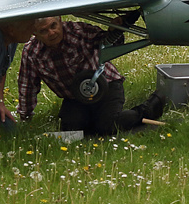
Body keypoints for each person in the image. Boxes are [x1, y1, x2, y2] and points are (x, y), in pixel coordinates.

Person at [16, 16, 164, 137]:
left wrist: (114, 30)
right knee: (71, 133)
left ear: (60, 20)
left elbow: (111, 43)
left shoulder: (78, 31)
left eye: (53, 26)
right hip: (75, 98)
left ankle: (148, 109)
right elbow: (27, 85)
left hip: (106, 85)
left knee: (107, 126)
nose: (51, 33)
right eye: (44, 31)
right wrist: (25, 117)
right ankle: (95, 120)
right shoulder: (32, 52)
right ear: (34, 33)